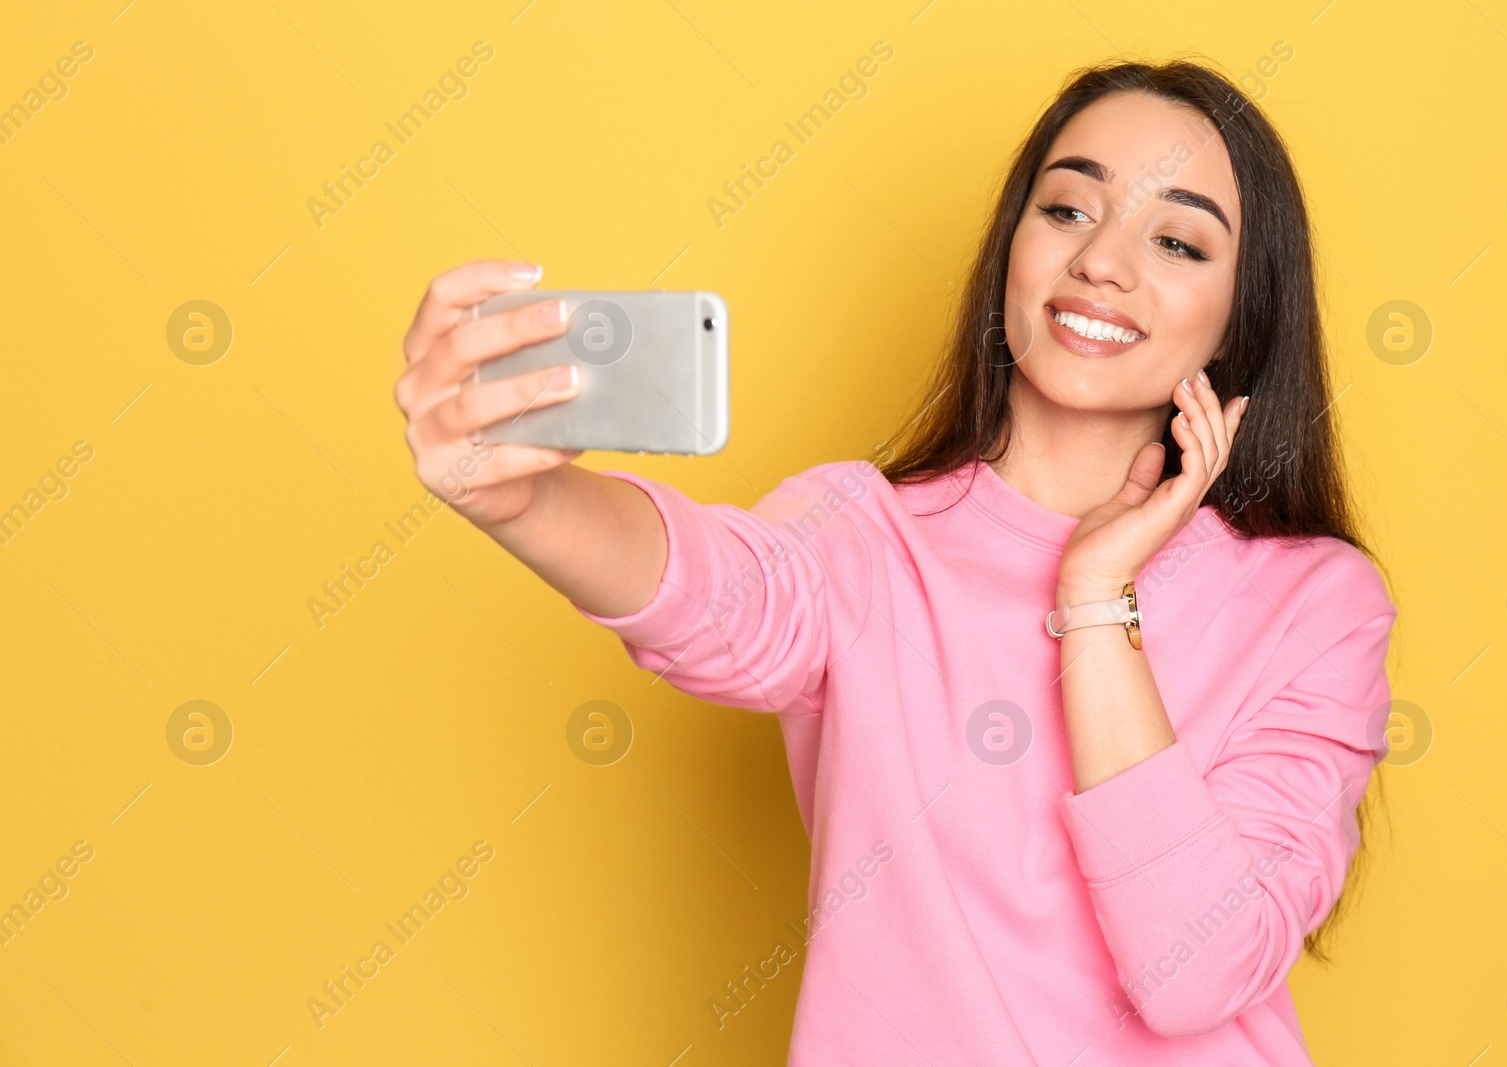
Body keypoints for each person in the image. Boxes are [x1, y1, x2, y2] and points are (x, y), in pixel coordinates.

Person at [394, 57, 1398, 1067]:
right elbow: (710, 590)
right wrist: (519, 496)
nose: (1101, 261)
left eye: (1176, 239)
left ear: (1240, 316)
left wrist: (1094, 597)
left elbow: (1197, 971)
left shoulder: (1313, 603)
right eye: (1066, 210)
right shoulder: (860, 537)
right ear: (1011, 249)